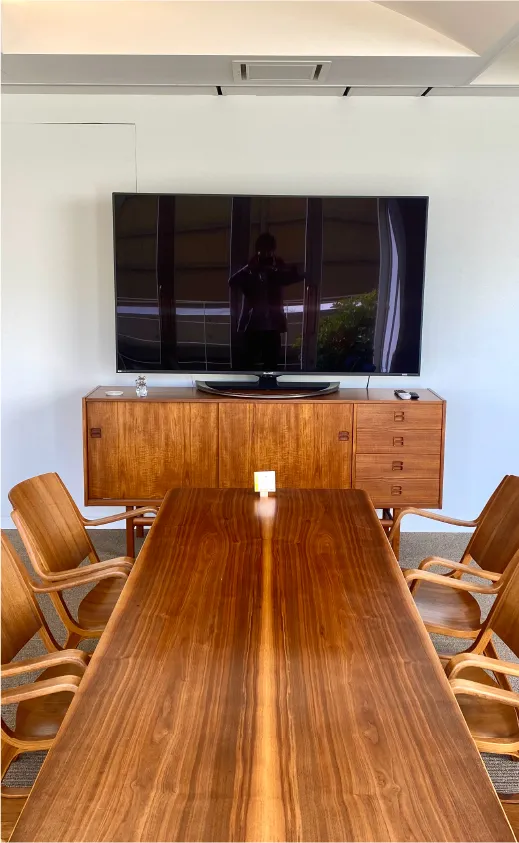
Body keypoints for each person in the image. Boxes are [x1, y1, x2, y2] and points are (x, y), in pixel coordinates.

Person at [229, 232, 302, 371]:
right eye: (263, 251)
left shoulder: (277, 266)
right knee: (248, 363)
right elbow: (233, 281)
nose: (266, 254)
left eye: (269, 251)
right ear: (258, 250)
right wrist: (250, 269)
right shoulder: (251, 267)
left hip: (272, 324)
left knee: (271, 364)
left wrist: (279, 270)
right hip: (253, 323)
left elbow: (295, 276)